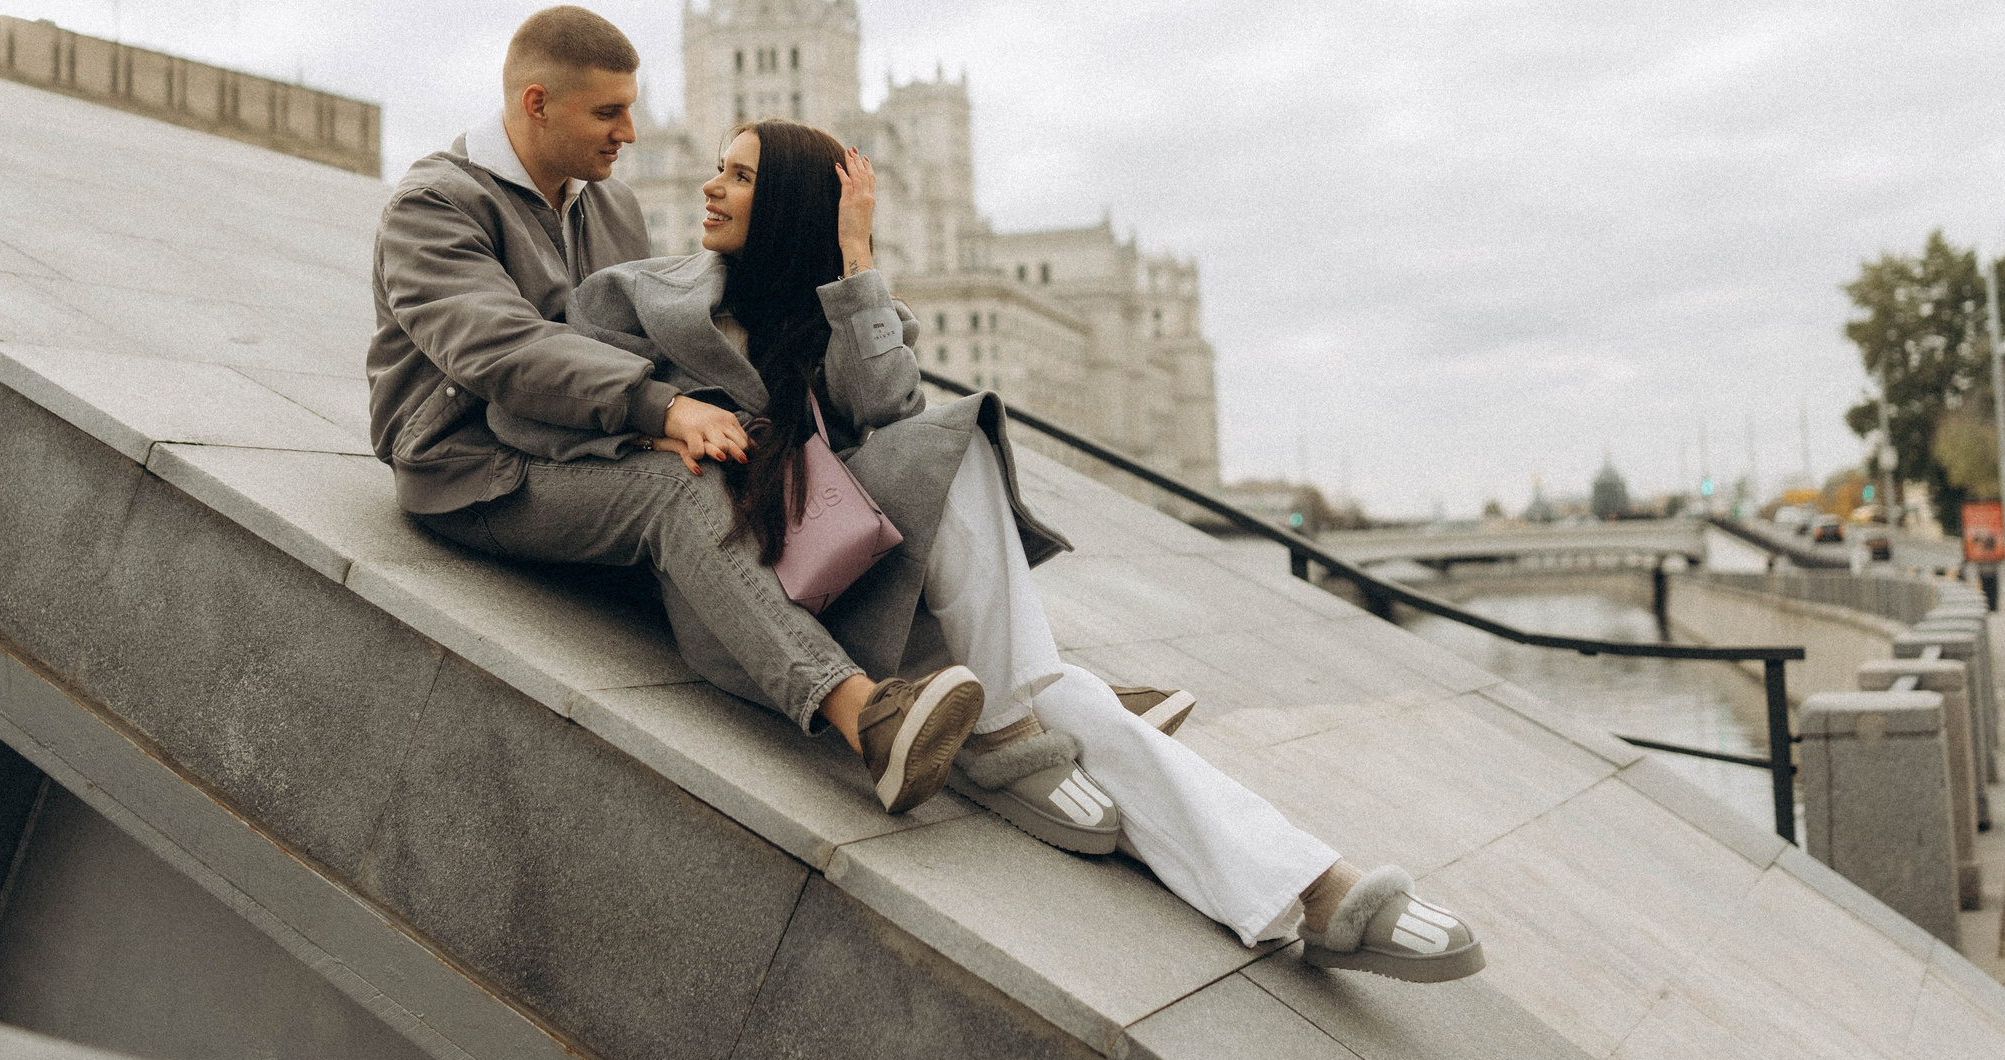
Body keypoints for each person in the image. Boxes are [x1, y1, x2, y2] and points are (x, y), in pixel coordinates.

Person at [493, 116, 1485, 982]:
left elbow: (888, 409)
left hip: (862, 582)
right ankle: (1033, 727)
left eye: (741, 174)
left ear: (791, 202)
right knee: (1066, 692)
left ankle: (1306, 885)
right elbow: (558, 403)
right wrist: (669, 420)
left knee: (959, 454)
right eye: (714, 167)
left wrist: (853, 262)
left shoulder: (844, 311)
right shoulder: (637, 298)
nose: (710, 185)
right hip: (762, 603)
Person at [368, 8, 988, 819]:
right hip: (474, 464)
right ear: (535, 103)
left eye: (630, 107)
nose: (631, 130)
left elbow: (658, 331)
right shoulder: (434, 205)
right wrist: (661, 408)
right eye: (607, 113)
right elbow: (500, 349)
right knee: (675, 489)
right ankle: (866, 719)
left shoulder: (609, 207)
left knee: (803, 485)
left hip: (589, 442)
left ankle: (1002, 707)